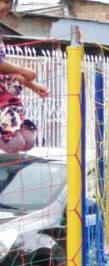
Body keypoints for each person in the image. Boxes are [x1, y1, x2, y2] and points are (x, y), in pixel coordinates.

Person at [0, 0, 48, 153]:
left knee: (28, 141)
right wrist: (22, 70)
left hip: (5, 96)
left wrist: (33, 85)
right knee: (13, 143)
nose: (8, 7)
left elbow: (3, 71)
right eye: (5, 1)